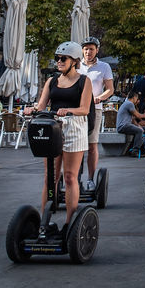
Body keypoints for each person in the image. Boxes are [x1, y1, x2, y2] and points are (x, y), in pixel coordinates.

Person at [28, 41, 93, 232]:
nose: (59, 61)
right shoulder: (52, 81)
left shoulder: (84, 81)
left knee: (70, 177)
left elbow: (84, 109)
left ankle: (69, 224)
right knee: (50, 177)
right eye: (57, 58)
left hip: (74, 129)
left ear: (74, 61)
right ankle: (44, 222)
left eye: (63, 59)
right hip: (53, 128)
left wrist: (68, 110)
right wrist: (32, 109)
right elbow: (41, 106)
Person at [78, 36, 114, 184]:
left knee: (92, 145)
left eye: (91, 49)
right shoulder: (76, 66)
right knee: (76, 145)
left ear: (97, 50)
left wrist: (99, 97)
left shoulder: (104, 67)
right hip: (77, 109)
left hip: (95, 109)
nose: (88, 52)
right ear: (82, 50)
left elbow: (110, 89)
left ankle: (91, 179)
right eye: (86, 49)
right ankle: (75, 178)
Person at [116, 91, 145, 156]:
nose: (137, 100)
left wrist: (138, 125)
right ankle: (135, 151)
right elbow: (137, 115)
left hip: (126, 125)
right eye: (136, 98)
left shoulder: (127, 103)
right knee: (139, 131)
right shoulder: (129, 104)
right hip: (123, 126)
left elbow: (133, 119)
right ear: (134, 97)